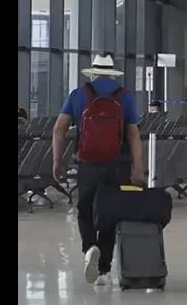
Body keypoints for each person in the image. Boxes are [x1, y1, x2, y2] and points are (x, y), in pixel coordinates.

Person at [51, 53, 143, 286]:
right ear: (112, 72)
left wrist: (57, 161)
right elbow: (133, 134)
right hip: (117, 164)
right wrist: (138, 168)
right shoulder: (125, 97)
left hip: (88, 163)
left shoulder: (79, 94)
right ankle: (103, 271)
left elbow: (58, 129)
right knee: (111, 213)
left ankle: (90, 246)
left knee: (85, 210)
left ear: (92, 72)